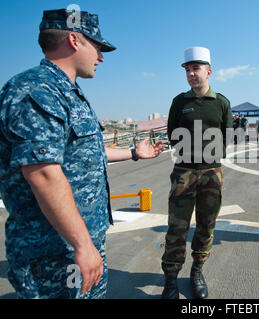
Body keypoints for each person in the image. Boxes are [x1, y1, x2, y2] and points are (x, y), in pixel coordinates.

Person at [0, 8, 166, 299]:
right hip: (54, 250)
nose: (101, 57)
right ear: (75, 40)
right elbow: (43, 173)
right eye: (98, 47)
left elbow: (86, 151)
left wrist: (133, 153)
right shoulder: (35, 91)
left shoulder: (67, 91)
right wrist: (82, 245)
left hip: (76, 243)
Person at [162, 46, 232, 299]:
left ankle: (197, 271)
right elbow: (172, 134)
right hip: (184, 173)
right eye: (188, 70)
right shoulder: (179, 102)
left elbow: (227, 135)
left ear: (209, 72)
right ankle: (170, 279)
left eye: (196, 69)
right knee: (177, 228)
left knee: (206, 226)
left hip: (212, 174)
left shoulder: (222, 103)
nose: (191, 74)